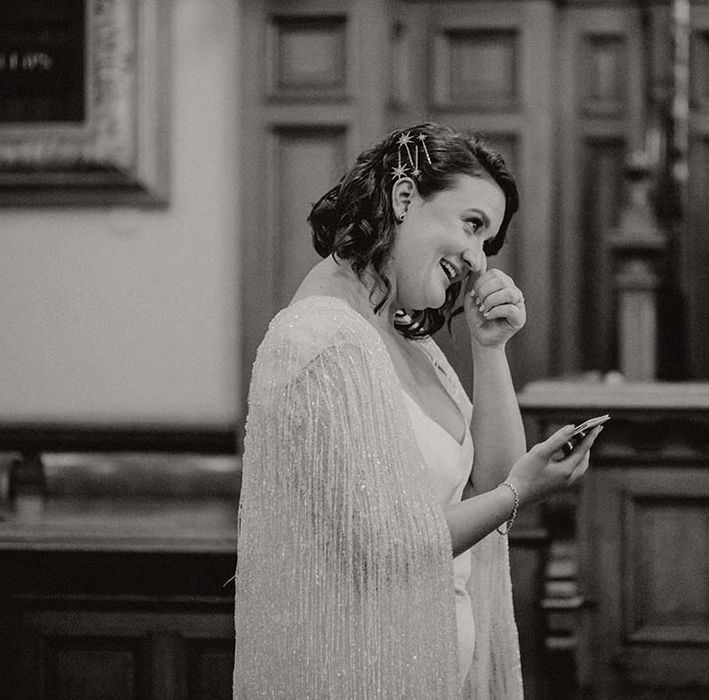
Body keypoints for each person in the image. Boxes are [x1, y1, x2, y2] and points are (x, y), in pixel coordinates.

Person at [233, 122, 602, 698]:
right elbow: (386, 545)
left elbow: (490, 483)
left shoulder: (406, 337)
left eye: (488, 243)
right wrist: (520, 494)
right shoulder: (318, 340)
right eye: (472, 225)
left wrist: (489, 349)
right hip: (364, 674)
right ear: (404, 197)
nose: (479, 261)